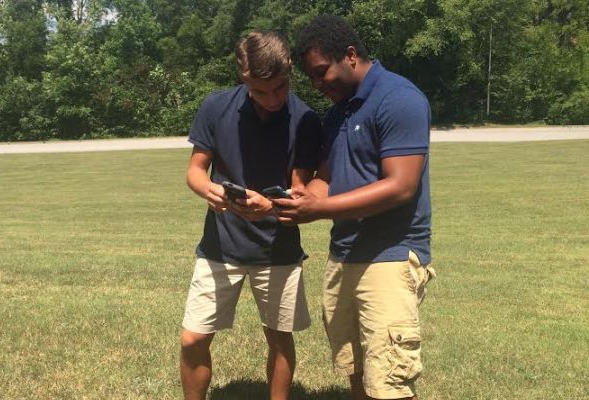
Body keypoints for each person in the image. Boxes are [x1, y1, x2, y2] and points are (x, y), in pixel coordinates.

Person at [273, 14, 436, 400]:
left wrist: (320, 209)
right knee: (356, 370)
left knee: (389, 381)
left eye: (321, 73)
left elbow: (400, 185)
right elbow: (325, 178)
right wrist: (302, 196)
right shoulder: (338, 112)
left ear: (349, 55)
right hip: (344, 254)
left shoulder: (399, 99)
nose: (316, 85)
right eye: (310, 78)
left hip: (389, 256)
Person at [179, 31, 322, 400]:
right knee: (193, 337)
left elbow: (301, 188)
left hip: (277, 249)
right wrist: (206, 188)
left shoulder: (305, 119)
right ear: (244, 80)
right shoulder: (215, 107)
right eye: (261, 91)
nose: (273, 99)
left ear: (289, 71)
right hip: (219, 246)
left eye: (280, 88)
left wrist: (270, 207)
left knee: (278, 337)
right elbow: (196, 170)